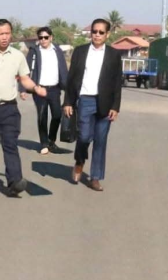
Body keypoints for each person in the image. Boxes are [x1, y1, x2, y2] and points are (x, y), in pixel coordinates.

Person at [0, 19, 46, 197]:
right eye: (1, 34)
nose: (5, 37)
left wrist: (35, 88)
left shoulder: (18, 55)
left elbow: (24, 79)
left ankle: (14, 181)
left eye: (7, 33)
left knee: (10, 144)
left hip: (9, 108)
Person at [63, 18, 122, 192]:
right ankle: (79, 161)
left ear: (107, 34)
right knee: (83, 137)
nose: (97, 35)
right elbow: (71, 78)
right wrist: (68, 102)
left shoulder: (113, 55)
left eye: (101, 32)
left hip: (105, 103)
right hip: (85, 100)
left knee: (100, 140)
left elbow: (117, 82)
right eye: (94, 31)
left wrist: (115, 107)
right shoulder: (80, 51)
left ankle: (95, 178)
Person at [19, 27, 68, 154]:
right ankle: (44, 144)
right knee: (42, 116)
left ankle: (52, 141)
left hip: (54, 88)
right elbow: (25, 71)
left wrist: (68, 86)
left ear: (51, 37)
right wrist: (23, 88)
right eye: (40, 37)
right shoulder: (34, 52)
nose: (43, 40)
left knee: (57, 115)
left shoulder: (57, 51)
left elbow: (63, 69)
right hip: (39, 89)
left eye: (46, 37)